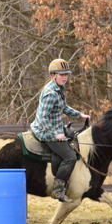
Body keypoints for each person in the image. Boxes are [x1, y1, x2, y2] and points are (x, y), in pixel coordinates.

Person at [29, 58, 89, 202]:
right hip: (46, 132)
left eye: (66, 74)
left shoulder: (58, 88)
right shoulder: (51, 93)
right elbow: (44, 118)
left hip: (54, 128)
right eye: (61, 74)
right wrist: (56, 134)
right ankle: (57, 189)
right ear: (53, 75)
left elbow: (64, 107)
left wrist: (79, 115)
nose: (65, 77)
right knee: (70, 157)